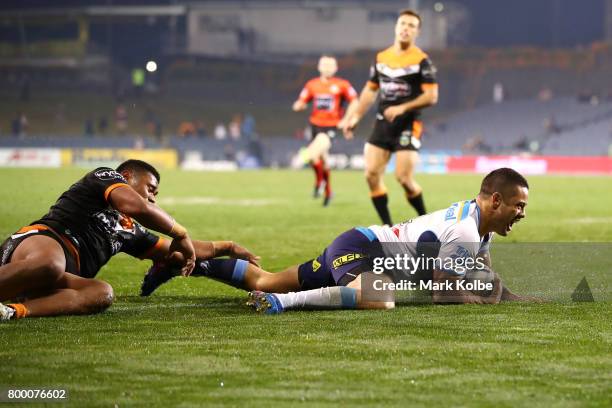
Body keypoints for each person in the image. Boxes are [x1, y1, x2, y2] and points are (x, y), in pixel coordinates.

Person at [141, 168, 536, 313]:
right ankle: (283, 303)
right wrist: (481, 295)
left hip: (356, 247)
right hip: (361, 250)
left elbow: (483, 279)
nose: (521, 213)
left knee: (262, 279)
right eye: (518, 206)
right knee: (380, 297)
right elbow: (444, 292)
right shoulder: (467, 231)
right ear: (495, 200)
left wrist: (517, 300)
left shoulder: (474, 224)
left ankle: (182, 264)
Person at [0, 159, 258, 321]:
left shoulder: (129, 230)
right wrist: (180, 231)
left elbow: (173, 252)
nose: (153, 198)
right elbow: (137, 206)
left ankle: (14, 311)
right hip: (39, 242)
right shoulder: (103, 177)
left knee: (102, 293)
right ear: (126, 176)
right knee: (50, 263)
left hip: (56, 277)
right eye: (151, 189)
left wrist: (228, 246)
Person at [342, 9, 439, 224]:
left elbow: (432, 96)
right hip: (383, 123)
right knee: (371, 175)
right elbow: (370, 90)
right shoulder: (381, 58)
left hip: (408, 123)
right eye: (403, 23)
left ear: (417, 32)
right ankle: (388, 228)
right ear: (396, 27)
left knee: (403, 178)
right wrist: (356, 116)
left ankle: (426, 221)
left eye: (411, 25)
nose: (406, 28)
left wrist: (403, 108)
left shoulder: (422, 61)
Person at [292, 55, 359, 206]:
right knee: (321, 160)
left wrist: (346, 119)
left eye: (331, 65)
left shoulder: (342, 85)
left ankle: (317, 180)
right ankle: (327, 190)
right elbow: (301, 101)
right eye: (325, 65)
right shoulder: (312, 85)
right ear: (319, 67)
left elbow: (355, 101)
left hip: (332, 127)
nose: (328, 68)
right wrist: (298, 105)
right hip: (315, 125)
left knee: (311, 154)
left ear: (336, 68)